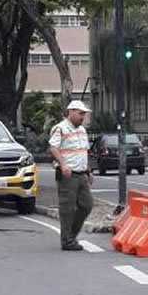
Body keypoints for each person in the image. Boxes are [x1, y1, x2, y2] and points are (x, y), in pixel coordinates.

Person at [49, 100, 94, 251]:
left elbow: (83, 152)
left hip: (81, 174)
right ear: (71, 112)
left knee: (87, 205)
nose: (83, 117)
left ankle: (71, 235)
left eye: (84, 114)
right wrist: (63, 165)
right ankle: (67, 240)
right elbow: (53, 148)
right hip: (68, 175)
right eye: (81, 114)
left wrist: (89, 171)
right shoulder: (60, 128)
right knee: (67, 208)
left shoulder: (82, 130)